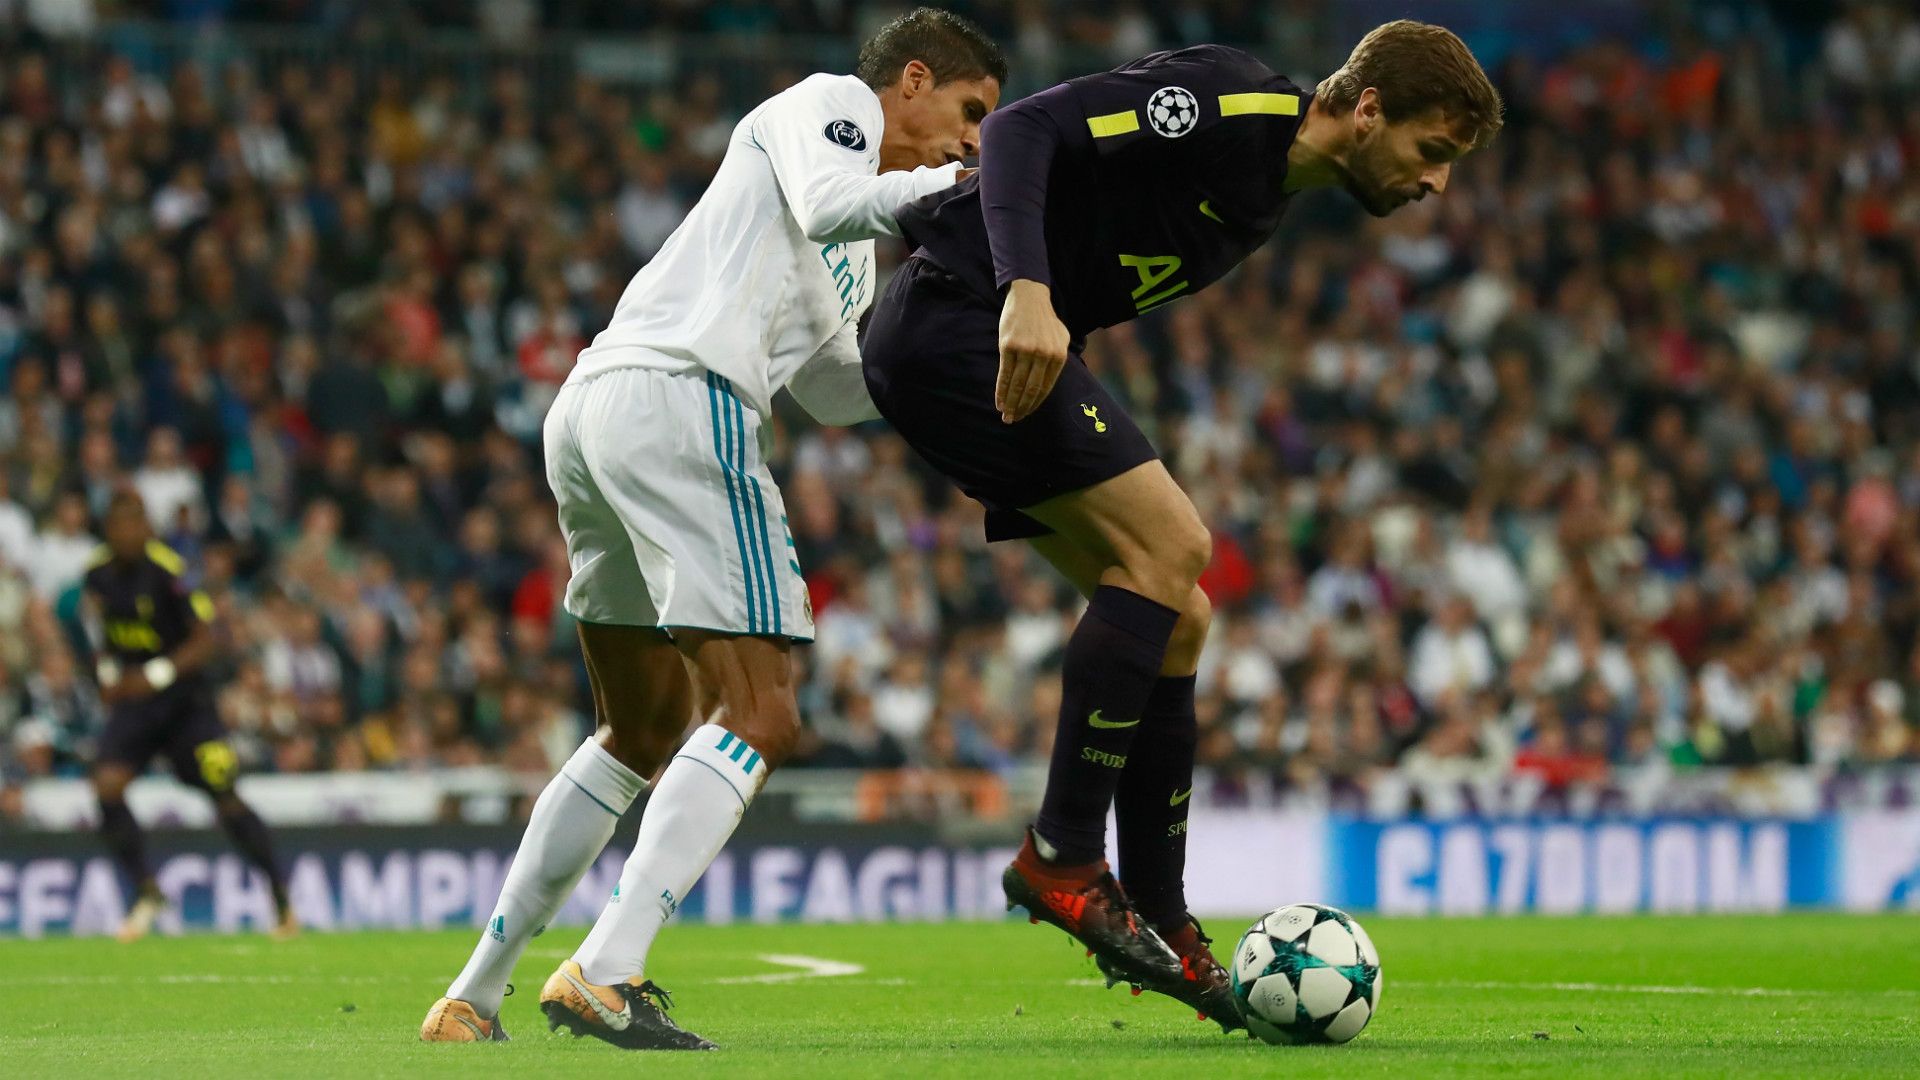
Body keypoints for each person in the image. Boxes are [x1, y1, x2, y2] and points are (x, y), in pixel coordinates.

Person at [862, 20, 1501, 1028]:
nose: (1436, 185)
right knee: (1176, 547)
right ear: (1369, 107)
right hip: (957, 320)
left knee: (1183, 614)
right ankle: (1063, 856)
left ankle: (1160, 916)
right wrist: (1028, 291)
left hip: (972, 351)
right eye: (1433, 153)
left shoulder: (1271, 199)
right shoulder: (1234, 102)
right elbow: (1025, 129)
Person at [419, 7, 1005, 1050]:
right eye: (970, 114)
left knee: (638, 731)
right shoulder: (831, 108)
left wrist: (956, 360)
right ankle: (606, 969)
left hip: (607, 411)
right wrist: (969, 196)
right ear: (912, 80)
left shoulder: (860, 250)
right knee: (764, 713)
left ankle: (472, 995)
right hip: (683, 402)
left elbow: (831, 389)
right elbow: (835, 202)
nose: (974, 142)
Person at [83, 489, 297, 942]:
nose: (126, 534)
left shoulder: (170, 571)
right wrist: (106, 671)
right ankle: (146, 889)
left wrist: (156, 674)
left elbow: (206, 640)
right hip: (136, 706)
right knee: (105, 785)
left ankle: (280, 893)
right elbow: (100, 632)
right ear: (109, 531)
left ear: (146, 527)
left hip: (186, 705)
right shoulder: (97, 573)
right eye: (117, 526)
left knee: (224, 794)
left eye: (134, 524)